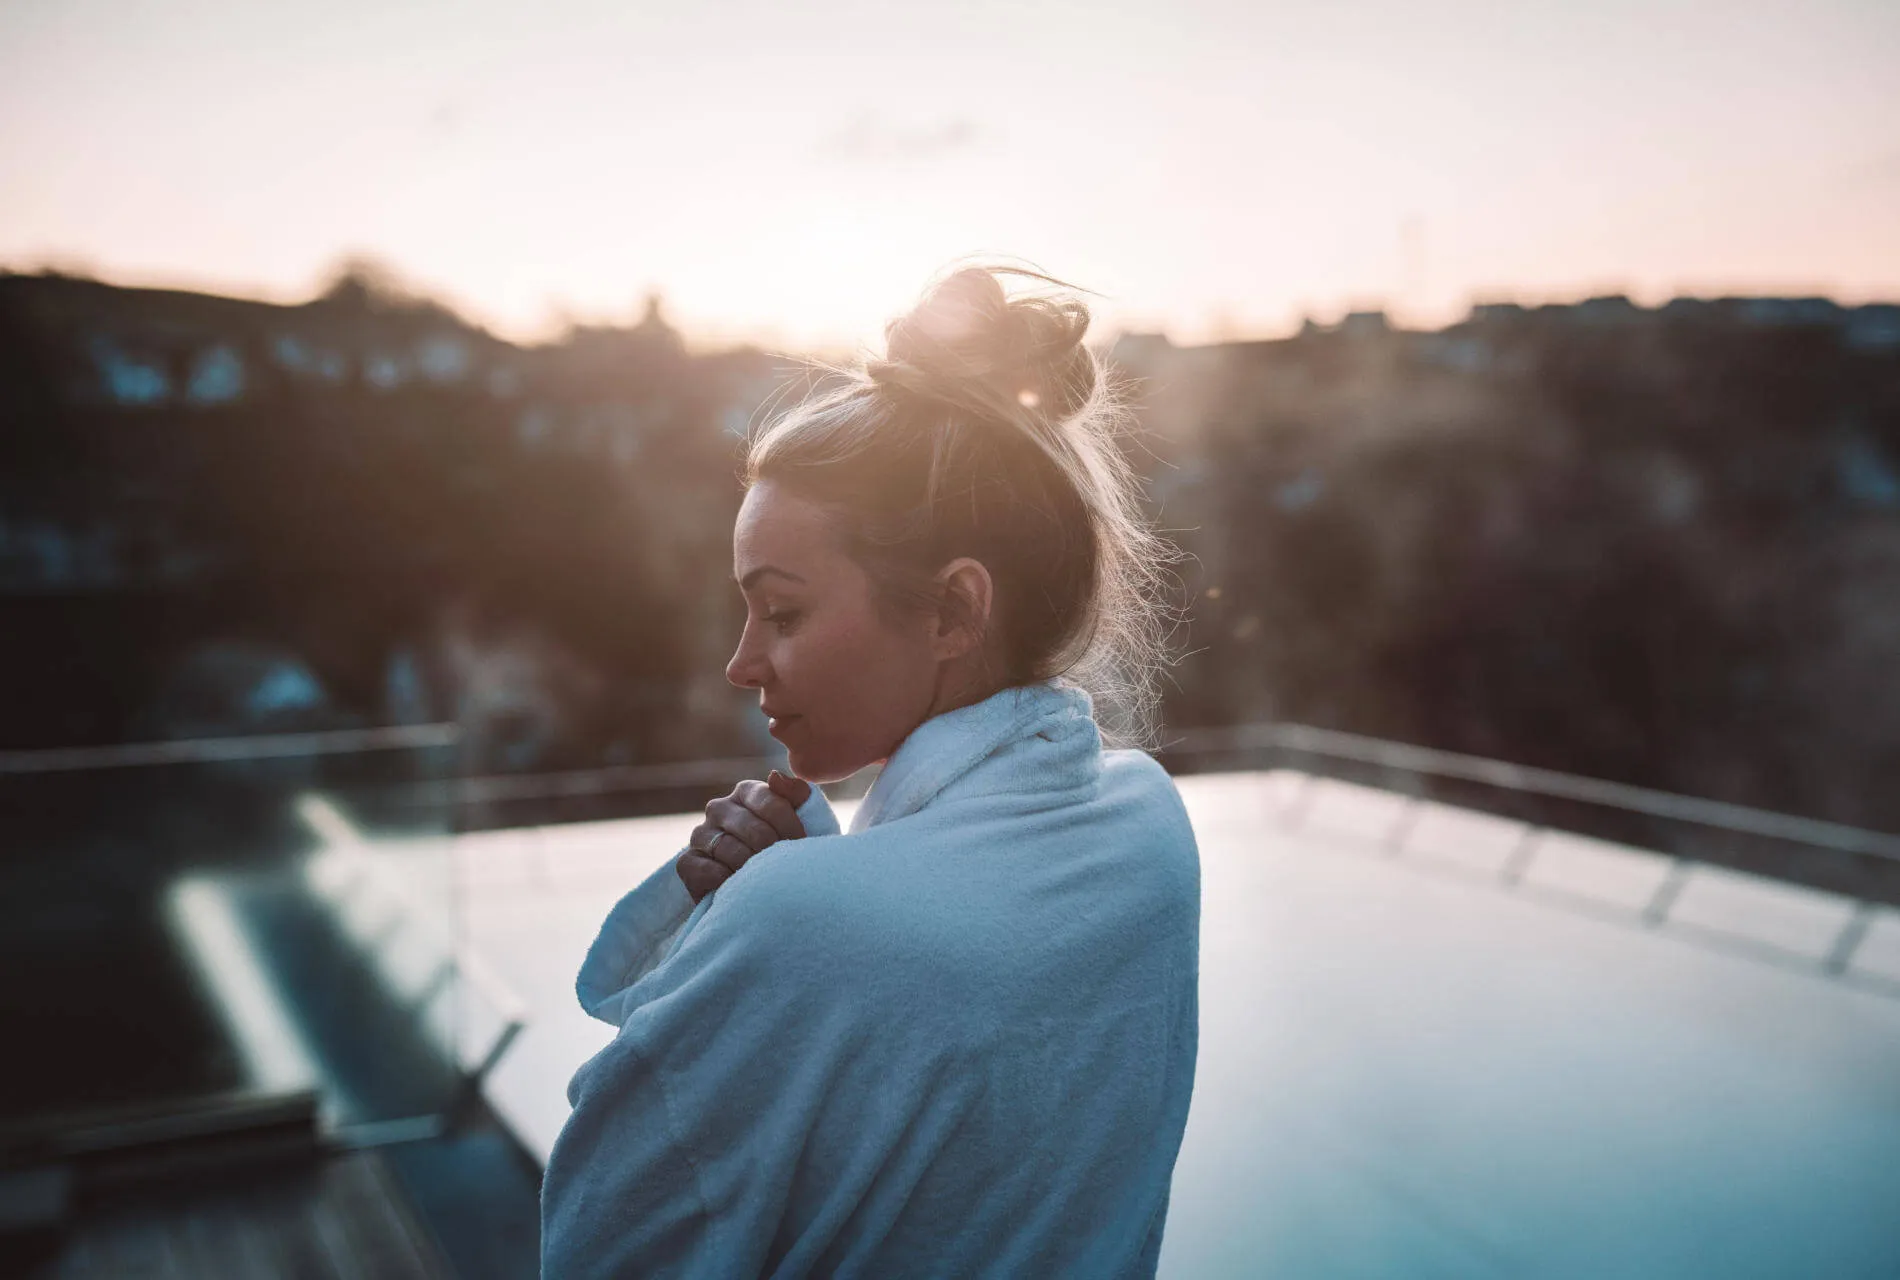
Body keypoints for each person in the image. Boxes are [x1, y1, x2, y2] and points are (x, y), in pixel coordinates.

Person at [540, 265, 1201, 1278]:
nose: (741, 661)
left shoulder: (801, 920)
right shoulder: (1151, 828)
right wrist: (824, 867)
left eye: (785, 611)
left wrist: (762, 903)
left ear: (951, 612)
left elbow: (603, 1241)